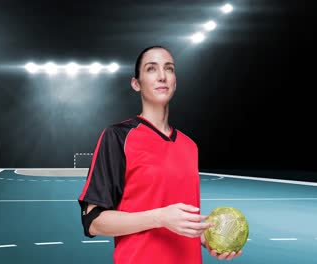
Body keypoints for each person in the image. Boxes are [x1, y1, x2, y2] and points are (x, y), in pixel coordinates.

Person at [78, 45, 243, 263]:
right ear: (136, 84)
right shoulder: (118, 137)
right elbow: (94, 222)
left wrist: (203, 236)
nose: (162, 76)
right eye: (151, 69)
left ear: (175, 81)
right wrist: (160, 217)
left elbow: (180, 217)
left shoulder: (189, 146)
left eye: (169, 69)